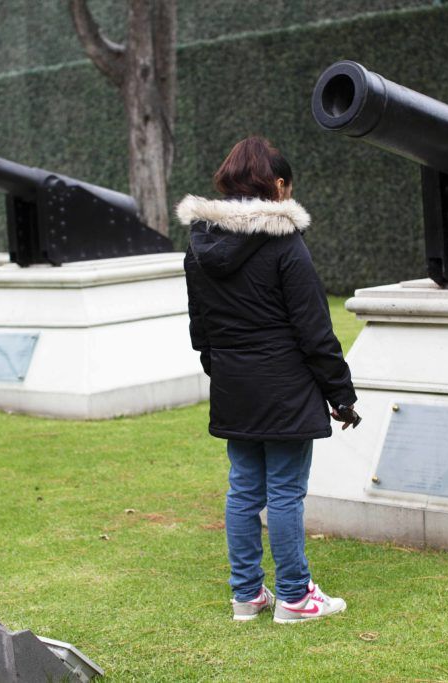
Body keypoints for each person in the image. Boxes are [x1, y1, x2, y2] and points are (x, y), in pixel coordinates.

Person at [177, 136, 360, 624]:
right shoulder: (284, 241)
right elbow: (315, 329)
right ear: (278, 185)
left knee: (243, 490)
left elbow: (201, 329)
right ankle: (296, 597)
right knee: (283, 491)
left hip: (235, 383)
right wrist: (341, 396)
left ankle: (247, 596)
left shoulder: (198, 244)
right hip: (284, 385)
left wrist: (227, 373)